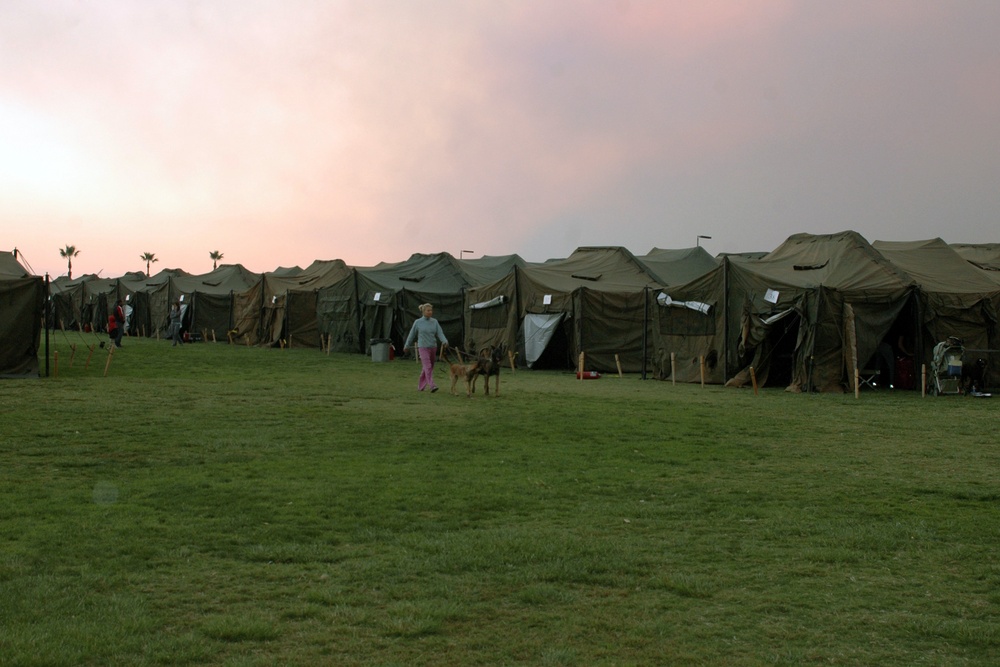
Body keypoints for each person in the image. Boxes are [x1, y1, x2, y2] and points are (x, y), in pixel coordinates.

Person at [403, 303, 448, 393]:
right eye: (428, 310)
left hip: (433, 347)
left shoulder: (434, 322)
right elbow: (411, 334)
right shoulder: (418, 322)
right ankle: (432, 385)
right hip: (423, 347)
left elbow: (440, 333)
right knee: (428, 366)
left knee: (428, 368)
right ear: (423, 311)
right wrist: (406, 345)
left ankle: (421, 386)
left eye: (431, 310)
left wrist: (445, 341)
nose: (430, 312)